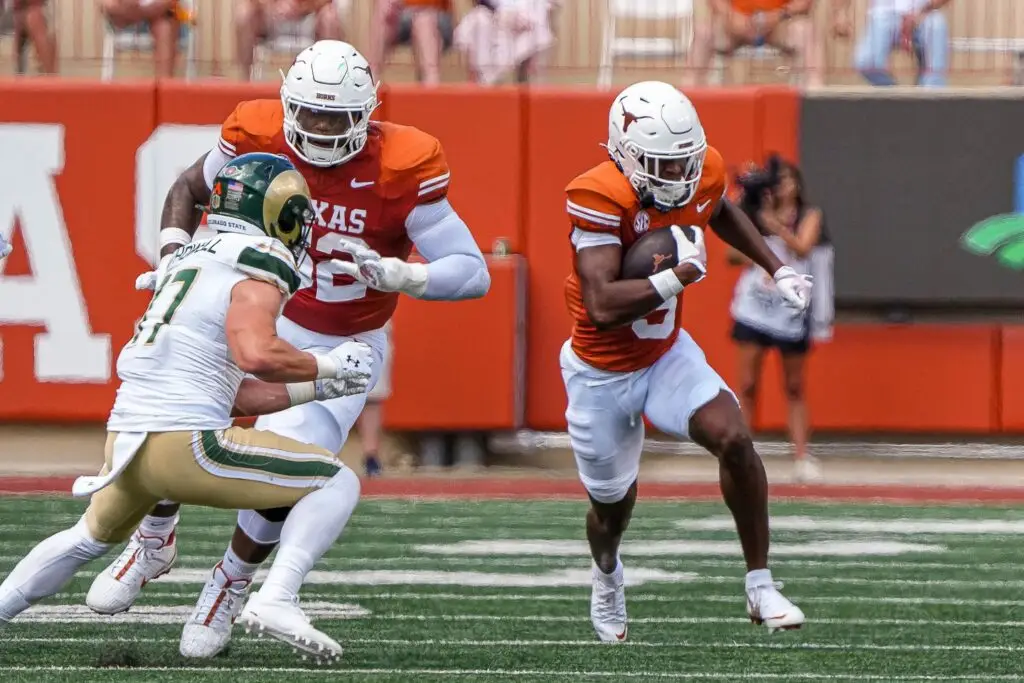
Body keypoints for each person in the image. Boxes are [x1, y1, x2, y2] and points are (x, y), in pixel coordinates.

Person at [86, 39, 490, 659]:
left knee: (289, 464)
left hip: (342, 335)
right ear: (288, 104)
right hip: (253, 306)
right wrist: (172, 259)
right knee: (168, 406)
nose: (323, 130)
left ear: (368, 113)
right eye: (312, 114)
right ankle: (154, 538)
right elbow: (188, 189)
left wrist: (404, 276)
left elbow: (472, 271)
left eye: (338, 118)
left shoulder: (403, 163)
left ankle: (228, 583)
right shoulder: (257, 130)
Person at [0, 153, 374, 663]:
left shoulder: (193, 256)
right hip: (188, 445)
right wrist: (326, 366)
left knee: (83, 539)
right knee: (337, 480)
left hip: (128, 443)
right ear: (276, 213)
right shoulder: (259, 259)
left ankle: (16, 601)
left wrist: (318, 391)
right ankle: (277, 597)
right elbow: (256, 354)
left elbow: (233, 392)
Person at [561, 80, 811, 642]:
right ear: (625, 156)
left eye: (684, 164)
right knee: (611, 508)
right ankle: (606, 576)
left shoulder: (699, 170)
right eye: (662, 166)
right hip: (599, 370)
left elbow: (717, 208)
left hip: (665, 354)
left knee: (734, 438)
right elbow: (601, 304)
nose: (678, 178)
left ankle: (760, 583)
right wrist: (675, 276)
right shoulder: (597, 195)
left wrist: (777, 267)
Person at [729, 157, 831, 483]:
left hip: (790, 310)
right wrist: (752, 220)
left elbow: (802, 247)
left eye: (788, 180)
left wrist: (774, 225)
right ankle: (742, 455)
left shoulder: (808, 215)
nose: (782, 186)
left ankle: (802, 456)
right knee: (747, 384)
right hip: (756, 307)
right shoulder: (754, 215)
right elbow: (731, 255)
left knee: (794, 386)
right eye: (778, 181)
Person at [684, 0, 824, 87]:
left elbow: (804, 3)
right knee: (703, 32)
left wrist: (778, 15)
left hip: (778, 24)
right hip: (735, 23)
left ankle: (814, 92)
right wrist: (731, 17)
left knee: (806, 31)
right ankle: (691, 93)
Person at [832, 0, 952, 87]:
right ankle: (895, 97)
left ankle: (932, 99)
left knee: (936, 26)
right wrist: (840, 13)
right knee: (866, 62)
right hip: (882, 13)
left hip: (925, 12)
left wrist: (922, 11)